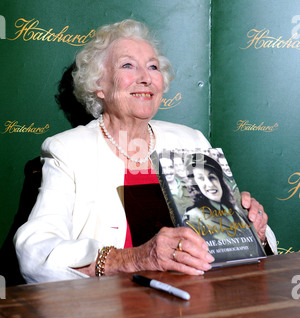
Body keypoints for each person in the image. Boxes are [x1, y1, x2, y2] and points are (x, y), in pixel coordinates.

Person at [14, 19, 277, 283]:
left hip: (194, 298)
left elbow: (229, 244)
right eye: (128, 65)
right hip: (111, 306)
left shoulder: (191, 141)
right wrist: (135, 258)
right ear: (99, 84)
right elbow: (34, 253)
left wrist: (253, 231)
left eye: (153, 67)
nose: (145, 78)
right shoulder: (68, 150)